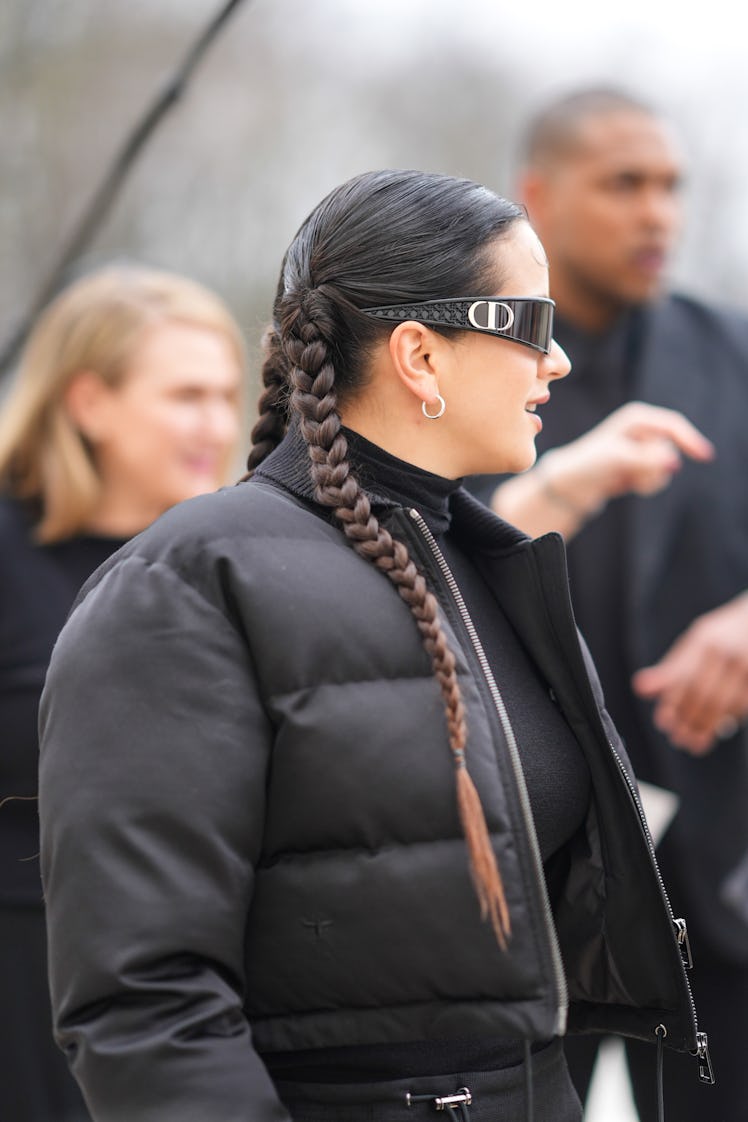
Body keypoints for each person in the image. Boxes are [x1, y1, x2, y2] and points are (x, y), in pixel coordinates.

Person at [38, 170, 705, 1122]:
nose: (556, 362)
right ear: (420, 356)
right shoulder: (188, 586)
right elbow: (147, 1005)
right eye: (532, 324)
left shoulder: (492, 570)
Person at [469, 88, 748, 1121]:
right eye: (624, 184)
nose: (657, 214)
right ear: (534, 196)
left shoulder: (736, 350)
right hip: (525, 874)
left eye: (671, 186)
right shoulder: (466, 368)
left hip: (722, 871)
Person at [0, 263, 245, 1122]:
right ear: (89, 402)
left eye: (226, 394)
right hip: (27, 984)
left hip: (201, 987)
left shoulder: (235, 559)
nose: (216, 423)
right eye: (185, 395)